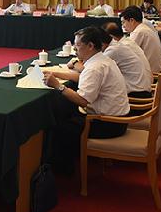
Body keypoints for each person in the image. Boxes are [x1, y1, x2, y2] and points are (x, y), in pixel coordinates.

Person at [43, 26, 130, 170]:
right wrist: (56, 74)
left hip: (109, 124)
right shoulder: (101, 59)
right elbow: (83, 77)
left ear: (90, 46)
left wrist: (58, 85)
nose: (75, 49)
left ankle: (62, 170)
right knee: (65, 110)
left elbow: (82, 101)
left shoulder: (95, 67)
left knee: (58, 127)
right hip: (118, 117)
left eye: (78, 45)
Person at [101, 23, 153, 98]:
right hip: (144, 85)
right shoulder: (126, 42)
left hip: (137, 94)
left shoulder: (116, 48)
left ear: (111, 37)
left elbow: (97, 67)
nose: (124, 25)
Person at [120, 6, 161, 73]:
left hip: (150, 73)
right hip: (154, 69)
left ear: (132, 20)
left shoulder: (139, 32)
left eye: (123, 22)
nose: (123, 26)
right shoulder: (143, 28)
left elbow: (125, 53)